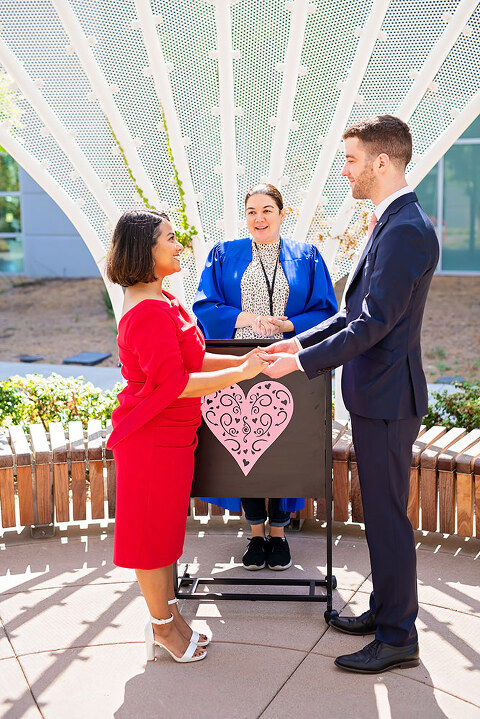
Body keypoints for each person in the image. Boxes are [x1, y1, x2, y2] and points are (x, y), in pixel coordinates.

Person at [260, 116, 439, 674]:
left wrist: (303, 363)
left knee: (387, 518)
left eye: (352, 160)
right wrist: (295, 345)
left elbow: (374, 325)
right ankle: (387, 612)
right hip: (376, 396)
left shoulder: (406, 229)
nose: (347, 170)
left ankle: (397, 637)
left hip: (388, 399)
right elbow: (349, 314)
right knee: (381, 515)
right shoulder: (392, 222)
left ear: (382, 163)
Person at [106, 209, 268, 664]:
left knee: (165, 533)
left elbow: (194, 359)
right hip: (151, 438)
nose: (179, 245)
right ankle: (162, 629)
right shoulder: (147, 312)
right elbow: (172, 384)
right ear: (145, 249)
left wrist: (250, 358)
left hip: (174, 436)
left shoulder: (165, 299)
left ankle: (170, 619)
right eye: (169, 239)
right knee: (151, 537)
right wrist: (241, 371)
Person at [193, 183, 337, 571]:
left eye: (267, 210)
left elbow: (327, 310)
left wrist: (289, 323)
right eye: (252, 210)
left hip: (292, 361)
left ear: (281, 214)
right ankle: (256, 532)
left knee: (285, 444)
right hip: (239, 362)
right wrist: (251, 319)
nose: (259, 218)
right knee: (244, 443)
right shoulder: (224, 255)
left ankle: (280, 531)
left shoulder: (305, 256)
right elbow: (205, 305)